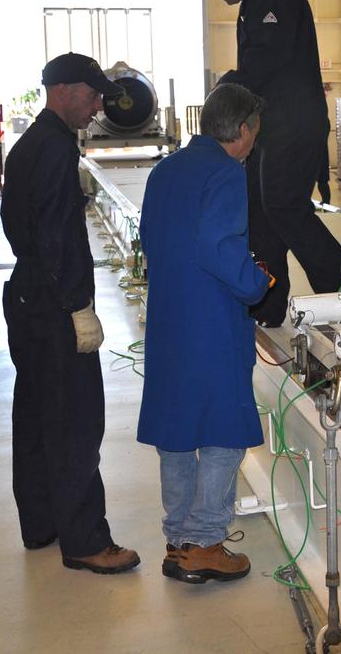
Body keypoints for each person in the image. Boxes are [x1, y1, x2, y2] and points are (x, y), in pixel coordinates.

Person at [0, 53, 139, 575]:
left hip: (26, 296)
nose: (99, 103)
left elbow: (22, 232)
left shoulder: (28, 145)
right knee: (76, 423)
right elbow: (57, 237)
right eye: (92, 93)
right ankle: (84, 541)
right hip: (55, 305)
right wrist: (78, 306)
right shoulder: (56, 150)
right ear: (61, 90)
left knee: (36, 417)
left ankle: (42, 525)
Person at [137, 82, 273, 584]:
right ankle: (206, 543)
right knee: (221, 428)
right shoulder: (224, 173)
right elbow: (219, 248)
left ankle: (178, 540)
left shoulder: (165, 170)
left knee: (176, 430)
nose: (254, 142)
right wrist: (257, 281)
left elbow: (152, 238)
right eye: (254, 133)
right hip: (211, 322)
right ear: (240, 131)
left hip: (170, 317)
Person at [196, 0, 341, 327]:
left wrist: (225, 87)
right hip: (271, 126)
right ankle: (268, 303)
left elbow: (266, 61)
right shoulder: (254, 3)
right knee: (260, 208)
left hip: (294, 123)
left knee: (285, 205)